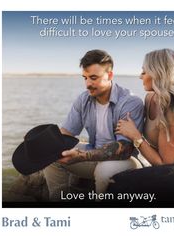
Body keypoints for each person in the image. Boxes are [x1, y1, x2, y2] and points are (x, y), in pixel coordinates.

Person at [111, 48, 174, 204]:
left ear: (158, 73)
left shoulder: (172, 108)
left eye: (144, 72)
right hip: (173, 170)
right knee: (118, 183)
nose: (140, 76)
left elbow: (165, 164)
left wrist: (136, 137)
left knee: (119, 184)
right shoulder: (149, 98)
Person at [43, 49, 144, 201]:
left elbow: (124, 149)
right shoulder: (84, 99)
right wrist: (41, 143)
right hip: (93, 152)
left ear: (109, 75)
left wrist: (80, 157)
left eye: (93, 78)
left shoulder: (130, 102)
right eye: (85, 78)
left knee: (104, 170)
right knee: (51, 157)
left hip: (126, 161)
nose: (87, 84)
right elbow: (67, 133)